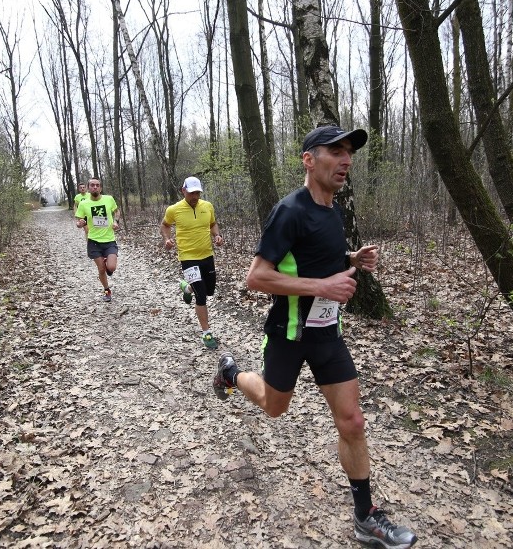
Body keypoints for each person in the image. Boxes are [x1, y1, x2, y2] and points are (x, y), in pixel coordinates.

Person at [213, 126, 418, 548]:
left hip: (327, 334)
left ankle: (366, 517)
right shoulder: (289, 210)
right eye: (335, 152)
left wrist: (350, 258)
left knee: (353, 421)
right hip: (288, 334)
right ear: (309, 159)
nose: (346, 160)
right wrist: (322, 288)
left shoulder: (333, 211)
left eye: (349, 154)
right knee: (274, 406)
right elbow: (256, 277)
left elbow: (313, 257)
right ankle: (233, 375)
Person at [160, 176, 224, 349]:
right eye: (191, 193)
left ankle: (187, 288)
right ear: (183, 191)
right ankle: (206, 332)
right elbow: (165, 225)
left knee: (209, 290)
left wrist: (217, 235)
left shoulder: (207, 206)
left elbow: (212, 223)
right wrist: (167, 239)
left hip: (207, 255)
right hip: (187, 257)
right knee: (201, 295)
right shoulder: (174, 209)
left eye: (197, 193)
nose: (195, 196)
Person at [76, 178, 120, 302]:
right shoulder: (84, 204)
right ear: (89, 188)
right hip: (94, 241)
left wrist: (116, 221)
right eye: (92, 185)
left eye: (97, 185)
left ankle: (108, 265)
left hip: (109, 239)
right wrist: (80, 223)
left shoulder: (109, 199)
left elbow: (116, 212)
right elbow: (79, 221)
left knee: (111, 268)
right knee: (101, 269)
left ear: (100, 188)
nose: (95, 187)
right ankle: (107, 291)